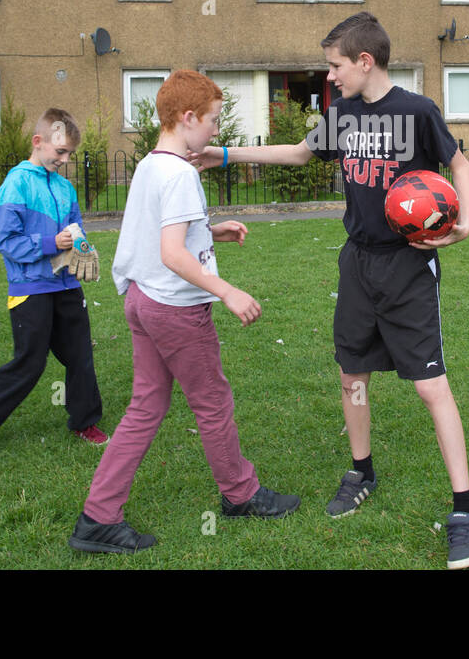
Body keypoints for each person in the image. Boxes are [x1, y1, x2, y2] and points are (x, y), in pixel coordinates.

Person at [194, 12, 469, 569]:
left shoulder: (418, 110)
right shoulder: (343, 112)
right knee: (352, 373)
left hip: (408, 267)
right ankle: (362, 470)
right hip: (357, 265)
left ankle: (465, 511)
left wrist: (464, 221)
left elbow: (459, 161)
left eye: (335, 66)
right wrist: (226, 154)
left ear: (364, 61)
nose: (329, 77)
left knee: (430, 388)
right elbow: (302, 153)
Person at [69, 71, 298, 553]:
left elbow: (161, 233)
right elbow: (173, 254)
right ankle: (241, 495)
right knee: (213, 402)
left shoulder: (152, 164)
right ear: (187, 117)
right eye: (214, 121)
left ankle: (97, 517)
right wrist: (226, 290)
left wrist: (210, 232)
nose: (217, 132)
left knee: (146, 406)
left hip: (142, 299)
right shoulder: (180, 174)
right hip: (174, 308)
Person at [0, 108, 109, 462]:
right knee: (30, 363)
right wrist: (49, 244)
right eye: (60, 152)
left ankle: (84, 421)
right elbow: (7, 242)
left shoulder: (65, 186)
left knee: (80, 356)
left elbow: (74, 230)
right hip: (30, 289)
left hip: (66, 285)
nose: (65, 159)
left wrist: (83, 249)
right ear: (38, 142)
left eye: (70, 153)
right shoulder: (16, 183)